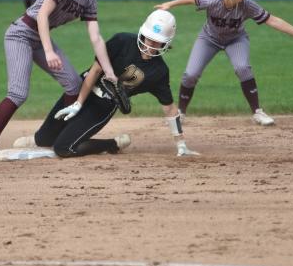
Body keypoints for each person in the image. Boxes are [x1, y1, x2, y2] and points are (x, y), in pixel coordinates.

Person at [0, 0, 118, 163]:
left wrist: (109, 71)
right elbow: (42, 14)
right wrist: (49, 50)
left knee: (73, 84)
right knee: (18, 93)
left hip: (40, 39)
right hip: (21, 34)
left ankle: (56, 137)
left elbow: (96, 38)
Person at [13, 10, 199, 158]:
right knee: (43, 139)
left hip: (103, 107)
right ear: (143, 31)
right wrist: (78, 102)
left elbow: (169, 108)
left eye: (157, 42)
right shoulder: (122, 41)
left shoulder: (158, 72)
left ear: (166, 43)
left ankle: (111, 144)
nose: (151, 44)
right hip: (83, 88)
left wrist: (181, 144)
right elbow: (94, 72)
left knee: (64, 148)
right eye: (150, 37)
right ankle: (41, 137)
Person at [155, 0, 293, 126]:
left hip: (236, 39)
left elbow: (272, 20)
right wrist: (170, 4)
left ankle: (257, 112)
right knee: (191, 74)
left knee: (243, 68)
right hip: (209, 38)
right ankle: (180, 113)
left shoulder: (247, 4)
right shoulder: (213, 0)